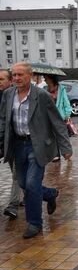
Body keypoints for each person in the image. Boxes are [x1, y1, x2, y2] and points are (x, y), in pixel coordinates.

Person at [0, 62, 73, 238]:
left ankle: (34, 223)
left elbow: (57, 121)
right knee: (24, 183)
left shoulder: (41, 95)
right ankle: (50, 193)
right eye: (14, 75)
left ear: (30, 76)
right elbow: (3, 120)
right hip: (18, 145)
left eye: (20, 75)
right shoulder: (8, 95)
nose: (17, 78)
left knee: (32, 184)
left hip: (37, 145)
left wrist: (65, 147)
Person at [0, 69, 22, 219]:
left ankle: (13, 205)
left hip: (17, 141)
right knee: (20, 174)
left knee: (16, 173)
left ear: (10, 81)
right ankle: (29, 195)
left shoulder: (16, 96)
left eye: (1, 79)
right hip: (3, 141)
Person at [43, 74, 72, 162]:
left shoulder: (61, 88)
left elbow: (66, 102)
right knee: (51, 136)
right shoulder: (44, 88)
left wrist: (68, 114)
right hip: (48, 116)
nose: (45, 79)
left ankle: (67, 152)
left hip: (59, 115)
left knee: (62, 134)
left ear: (51, 79)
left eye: (46, 78)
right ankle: (55, 154)